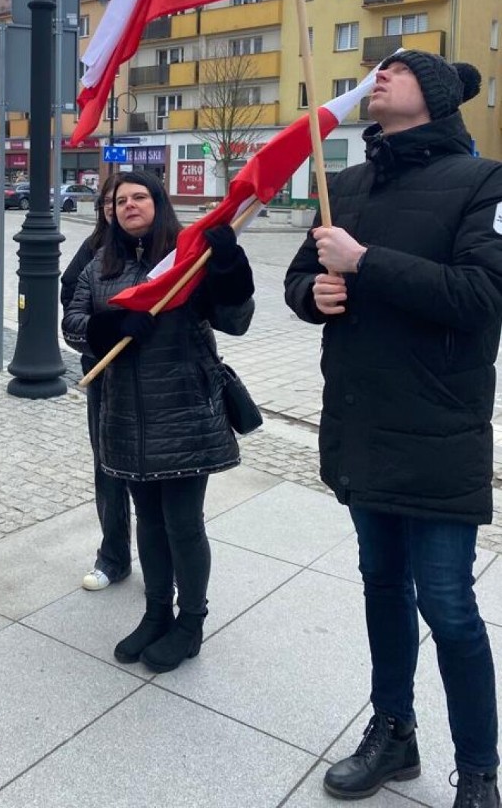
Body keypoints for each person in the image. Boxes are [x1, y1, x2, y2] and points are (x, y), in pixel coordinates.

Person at [284, 50, 501, 808]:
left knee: (447, 604)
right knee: (381, 586)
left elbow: (482, 295)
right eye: (377, 69)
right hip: (361, 421)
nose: (379, 76)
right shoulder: (342, 183)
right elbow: (298, 282)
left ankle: (479, 770)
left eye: (397, 70)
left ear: (435, 97)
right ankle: (394, 733)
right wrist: (316, 291)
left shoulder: (485, 181)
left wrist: (365, 262)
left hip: (439, 427)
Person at [63, 170, 255, 673]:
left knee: (183, 524)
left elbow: (236, 319)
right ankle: (155, 613)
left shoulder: (190, 260)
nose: (129, 205)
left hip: (183, 409)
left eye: (139, 196)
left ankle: (190, 623)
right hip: (125, 413)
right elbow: (73, 323)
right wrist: (110, 326)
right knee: (148, 520)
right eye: (120, 199)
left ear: (158, 202)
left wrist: (231, 266)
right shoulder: (99, 264)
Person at [61, 174, 132, 591]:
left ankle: (169, 562)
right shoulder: (93, 250)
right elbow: (69, 295)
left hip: (151, 374)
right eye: (108, 201)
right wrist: (101, 323)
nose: (114, 206)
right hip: (103, 369)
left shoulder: (160, 245)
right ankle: (114, 554)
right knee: (107, 465)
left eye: (124, 199)